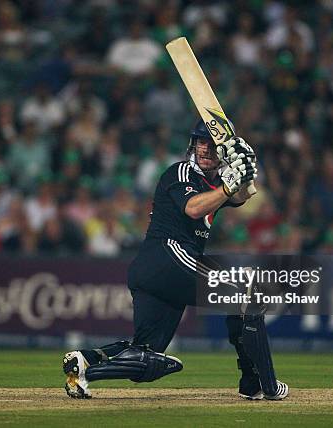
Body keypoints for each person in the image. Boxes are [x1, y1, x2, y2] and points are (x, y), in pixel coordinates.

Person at [62, 120, 288, 401]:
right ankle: (260, 383)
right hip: (169, 254)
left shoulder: (216, 183)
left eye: (212, 143)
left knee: (146, 356)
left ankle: (84, 367)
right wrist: (229, 186)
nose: (205, 148)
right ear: (192, 144)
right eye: (201, 141)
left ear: (223, 151)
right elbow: (193, 208)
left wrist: (246, 172)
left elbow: (241, 198)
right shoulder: (180, 171)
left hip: (156, 271)